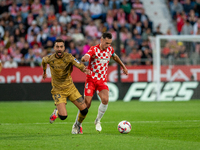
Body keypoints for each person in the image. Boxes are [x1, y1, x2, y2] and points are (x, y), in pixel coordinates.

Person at [73, 32, 128, 133]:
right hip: (91, 79)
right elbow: (86, 56)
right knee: (87, 104)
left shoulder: (110, 49)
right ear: (101, 40)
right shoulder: (94, 49)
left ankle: (97, 120)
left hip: (102, 80)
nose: (108, 45)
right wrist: (84, 58)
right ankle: (78, 124)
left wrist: (123, 66)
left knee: (105, 99)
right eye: (106, 43)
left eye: (110, 43)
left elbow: (115, 57)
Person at [42, 39, 90, 134]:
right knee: (63, 116)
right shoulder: (49, 59)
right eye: (57, 47)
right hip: (58, 90)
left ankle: (77, 125)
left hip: (70, 88)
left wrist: (83, 69)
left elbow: (78, 63)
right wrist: (44, 72)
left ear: (64, 48)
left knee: (84, 110)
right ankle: (56, 112)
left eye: (61, 47)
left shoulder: (69, 57)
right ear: (54, 48)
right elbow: (43, 61)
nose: (59, 49)